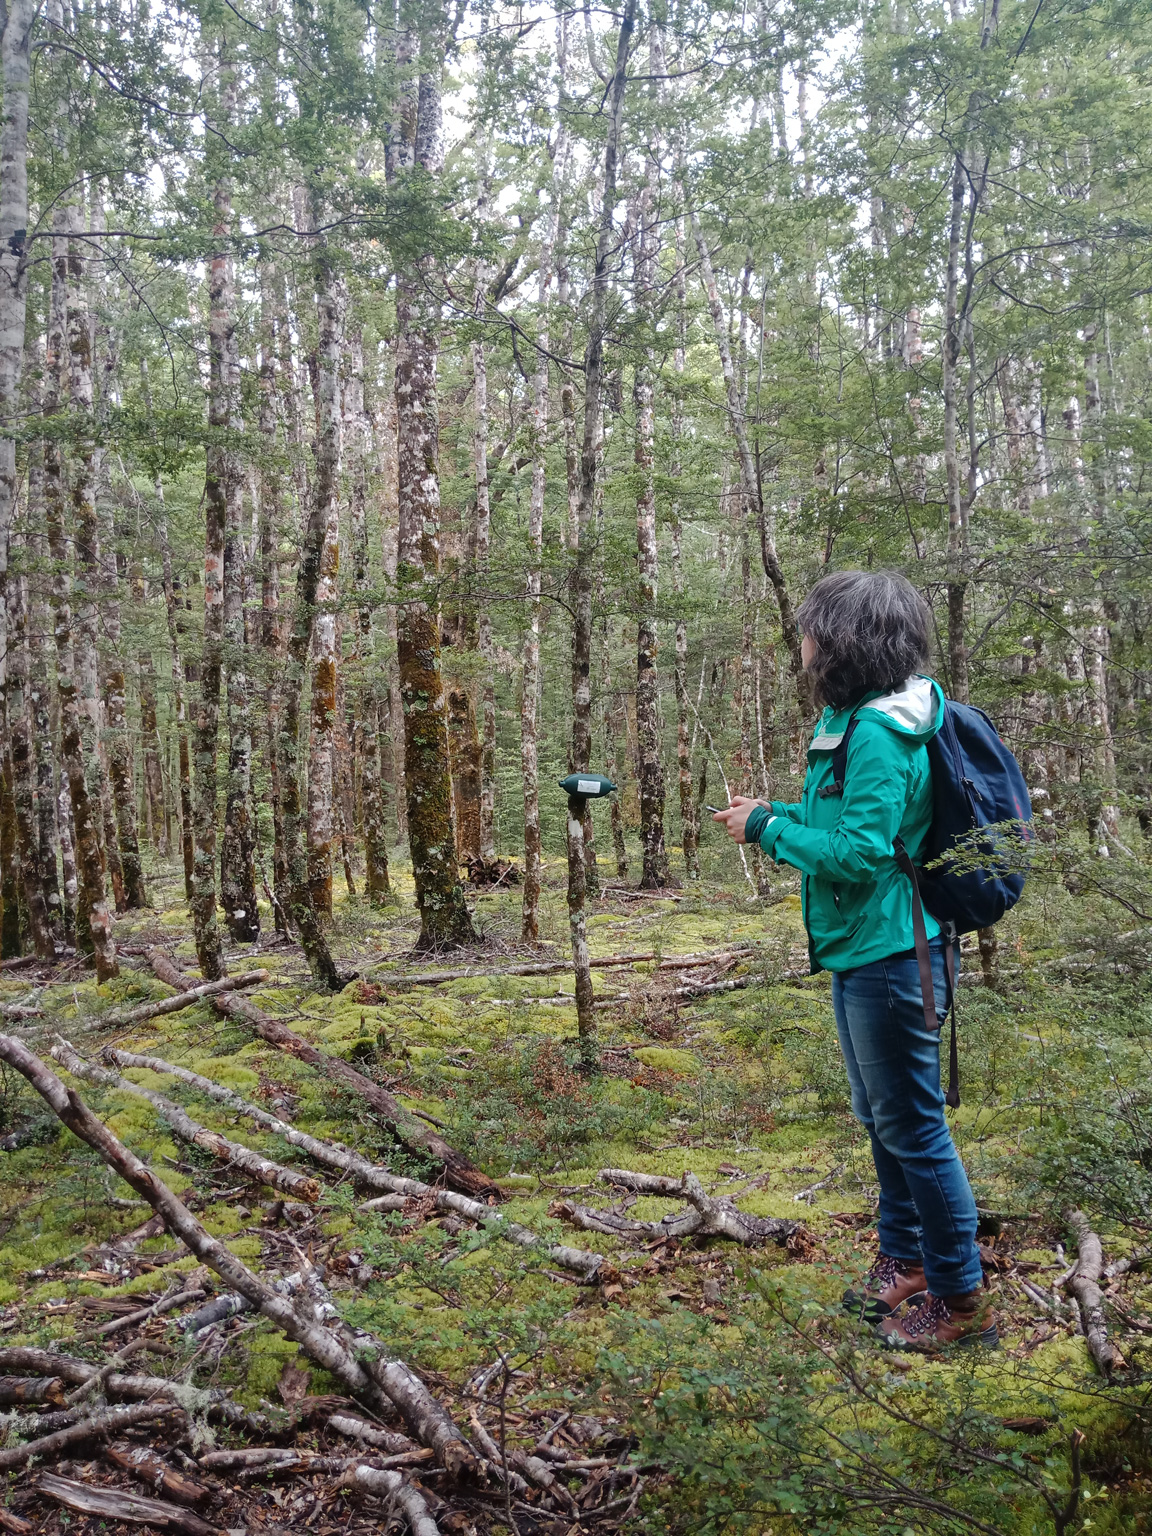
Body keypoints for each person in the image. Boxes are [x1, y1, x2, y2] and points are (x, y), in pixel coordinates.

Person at [714, 569, 995, 1351]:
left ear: (844, 640)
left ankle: (961, 1297)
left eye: (811, 631)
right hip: (863, 946)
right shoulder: (858, 719)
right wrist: (773, 814)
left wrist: (768, 834)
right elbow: (849, 821)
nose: (800, 645)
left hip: (895, 952)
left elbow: (861, 853)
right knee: (884, 1118)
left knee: (914, 1124)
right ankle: (904, 1261)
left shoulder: (877, 730)